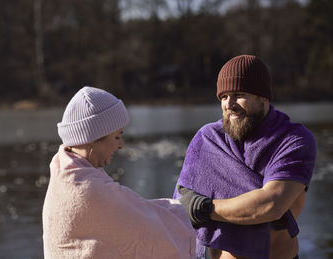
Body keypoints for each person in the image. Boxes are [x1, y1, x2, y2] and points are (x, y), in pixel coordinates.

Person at [174, 55, 317, 259]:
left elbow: (271, 205)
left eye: (238, 94)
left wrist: (203, 208)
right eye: (223, 97)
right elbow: (181, 205)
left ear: (264, 97)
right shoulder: (207, 140)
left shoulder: (293, 139)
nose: (229, 104)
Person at [42, 86, 196, 259]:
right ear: (92, 139)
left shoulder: (64, 173)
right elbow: (149, 230)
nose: (121, 144)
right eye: (117, 136)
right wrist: (187, 210)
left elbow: (134, 210)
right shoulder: (88, 189)